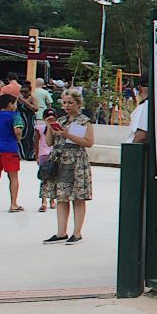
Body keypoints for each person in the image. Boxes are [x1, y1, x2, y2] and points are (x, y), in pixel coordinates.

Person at [41, 88, 94, 243]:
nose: (67, 106)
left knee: (78, 197)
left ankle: (77, 233)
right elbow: (50, 142)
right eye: (64, 102)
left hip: (76, 159)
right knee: (61, 197)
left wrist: (68, 135)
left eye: (70, 103)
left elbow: (89, 142)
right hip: (60, 159)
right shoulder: (62, 120)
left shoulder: (84, 121)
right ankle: (61, 232)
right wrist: (50, 127)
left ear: (78, 103)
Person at [0, 95, 25, 214]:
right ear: (10, 104)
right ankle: (13, 204)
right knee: (13, 177)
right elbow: (18, 130)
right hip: (9, 148)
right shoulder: (15, 116)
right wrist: (18, 138)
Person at [35, 107, 57, 214]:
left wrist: (36, 155)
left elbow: (36, 142)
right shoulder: (54, 128)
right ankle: (51, 201)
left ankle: (44, 201)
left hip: (44, 154)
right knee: (52, 177)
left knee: (44, 178)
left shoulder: (40, 128)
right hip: (51, 155)